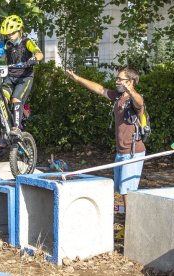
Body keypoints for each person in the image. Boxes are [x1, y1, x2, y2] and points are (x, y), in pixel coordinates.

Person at [66, 67, 146, 238]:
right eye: (117, 78)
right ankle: (128, 224)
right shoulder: (118, 97)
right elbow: (100, 89)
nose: (116, 81)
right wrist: (77, 78)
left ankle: (131, 228)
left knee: (127, 192)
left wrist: (131, 90)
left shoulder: (132, 99)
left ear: (129, 82)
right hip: (121, 152)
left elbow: (140, 103)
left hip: (133, 153)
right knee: (121, 190)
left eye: (120, 78)